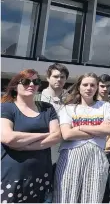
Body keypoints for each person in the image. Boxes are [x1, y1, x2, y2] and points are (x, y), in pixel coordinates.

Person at [53, 72, 110, 203]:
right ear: (79, 87)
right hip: (70, 156)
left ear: (97, 87)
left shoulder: (105, 106)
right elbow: (67, 134)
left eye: (92, 85)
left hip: (96, 156)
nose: (89, 88)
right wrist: (98, 129)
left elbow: (109, 129)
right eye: (85, 85)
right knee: (65, 197)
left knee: (92, 198)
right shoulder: (68, 108)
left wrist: (80, 127)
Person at [1, 69, 62, 203]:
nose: (32, 84)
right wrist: (44, 135)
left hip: (41, 176)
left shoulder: (47, 108)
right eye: (26, 81)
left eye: (36, 81)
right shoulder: (6, 108)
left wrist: (23, 145)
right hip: (12, 176)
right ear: (15, 86)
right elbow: (8, 138)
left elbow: (57, 136)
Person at [36, 63, 69, 202]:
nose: (59, 80)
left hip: (64, 154)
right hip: (40, 152)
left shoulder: (71, 101)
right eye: (55, 76)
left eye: (62, 77)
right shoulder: (37, 99)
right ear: (48, 78)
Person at [98, 73, 110, 203]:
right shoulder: (92, 103)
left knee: (106, 189)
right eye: (102, 86)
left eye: (107, 86)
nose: (105, 89)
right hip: (95, 147)